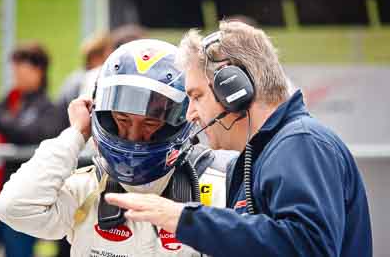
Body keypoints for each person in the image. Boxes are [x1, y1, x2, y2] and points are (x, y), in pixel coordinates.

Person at [101, 21, 373, 257]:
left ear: (233, 89)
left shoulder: (301, 142)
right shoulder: (255, 158)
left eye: (196, 96)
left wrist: (184, 220)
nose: (191, 113)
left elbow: (309, 247)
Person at [0, 39, 227, 257]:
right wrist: (76, 134)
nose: (133, 135)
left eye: (150, 122)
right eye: (123, 119)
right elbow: (12, 208)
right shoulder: (85, 188)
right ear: (101, 114)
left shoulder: (216, 188)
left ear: (180, 121)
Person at [0, 42, 60, 257]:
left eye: (22, 69)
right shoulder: (8, 102)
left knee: (18, 252)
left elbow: (28, 135)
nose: (17, 75)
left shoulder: (48, 109)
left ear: (38, 71)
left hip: (20, 198)